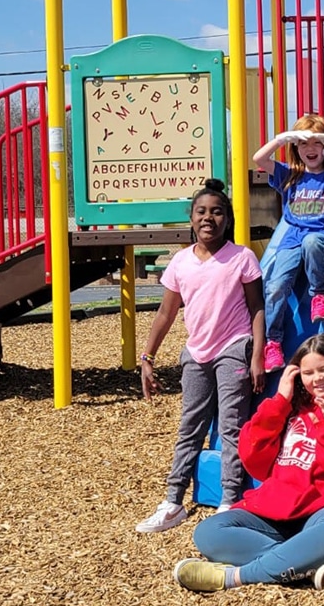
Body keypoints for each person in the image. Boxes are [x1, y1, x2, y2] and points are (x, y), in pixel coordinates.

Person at [172, 332, 324, 593]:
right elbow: (255, 461)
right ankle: (303, 562)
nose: (317, 378)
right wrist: (279, 402)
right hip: (279, 509)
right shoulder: (292, 410)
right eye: (308, 372)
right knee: (209, 532)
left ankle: (236, 576)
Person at [135, 179, 266, 532]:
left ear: (228, 219)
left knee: (232, 427)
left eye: (217, 212)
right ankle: (173, 501)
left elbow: (257, 308)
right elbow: (166, 312)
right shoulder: (180, 262)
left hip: (233, 348)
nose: (209, 218)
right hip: (196, 351)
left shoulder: (242, 257)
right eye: (202, 212)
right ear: (191, 218)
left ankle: (229, 501)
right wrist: (147, 357)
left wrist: (257, 356)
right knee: (189, 426)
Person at [252, 115, 324, 371]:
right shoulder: (291, 175)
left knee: (313, 241)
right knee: (275, 286)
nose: (310, 149)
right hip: (291, 239)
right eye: (303, 143)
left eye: (317, 143)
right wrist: (282, 139)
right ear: (295, 147)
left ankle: (320, 294)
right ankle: (273, 343)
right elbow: (259, 159)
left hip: (321, 235)